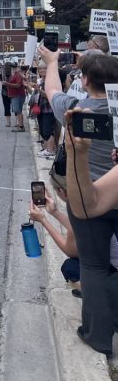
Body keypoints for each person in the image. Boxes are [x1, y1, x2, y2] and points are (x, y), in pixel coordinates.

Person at [43, 45, 118, 357]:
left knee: (94, 265)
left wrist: (51, 63)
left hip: (86, 195)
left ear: (85, 80)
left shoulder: (77, 109)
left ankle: (97, 335)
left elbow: (51, 90)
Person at [5, 62, 27, 132]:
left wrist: (7, 84)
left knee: (18, 111)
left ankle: (21, 127)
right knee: (18, 111)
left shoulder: (17, 75)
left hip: (18, 95)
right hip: (15, 95)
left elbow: (18, 85)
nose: (12, 68)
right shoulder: (14, 74)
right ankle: (20, 124)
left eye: (14, 67)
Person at [0, 63, 14, 127]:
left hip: (5, 92)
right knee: (14, 107)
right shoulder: (13, 74)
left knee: (6, 107)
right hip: (12, 92)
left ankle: (8, 122)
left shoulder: (3, 73)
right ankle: (17, 122)